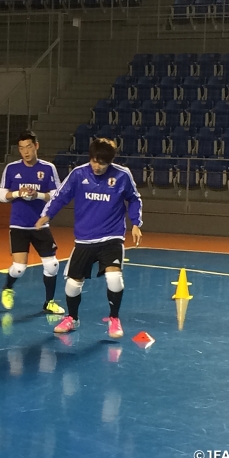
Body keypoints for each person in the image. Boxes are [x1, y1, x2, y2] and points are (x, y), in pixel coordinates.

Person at [35, 138, 142, 338]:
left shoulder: (122, 175)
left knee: (114, 278)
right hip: (84, 239)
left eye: (101, 162)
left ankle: (114, 319)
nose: (97, 166)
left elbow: (134, 198)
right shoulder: (79, 174)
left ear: (110, 161)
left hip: (112, 237)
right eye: (93, 160)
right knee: (73, 285)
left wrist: (136, 223)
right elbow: (61, 195)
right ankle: (72, 318)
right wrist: (47, 214)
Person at [0, 130, 64, 315]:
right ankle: (8, 288)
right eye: (21, 148)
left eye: (28, 147)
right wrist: (18, 193)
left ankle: (49, 302)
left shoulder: (48, 168)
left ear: (36, 146)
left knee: (52, 265)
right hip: (18, 225)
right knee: (19, 268)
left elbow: (57, 195)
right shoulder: (11, 168)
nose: (25, 152)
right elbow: (1, 195)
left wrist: (38, 195)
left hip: (40, 224)